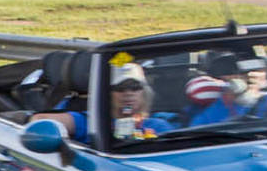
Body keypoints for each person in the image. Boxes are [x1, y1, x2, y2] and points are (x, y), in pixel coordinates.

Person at [34, 61, 171, 144]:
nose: (128, 93)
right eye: (120, 88)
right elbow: (39, 119)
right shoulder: (92, 122)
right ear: (107, 94)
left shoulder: (158, 125)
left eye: (135, 88)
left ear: (144, 93)